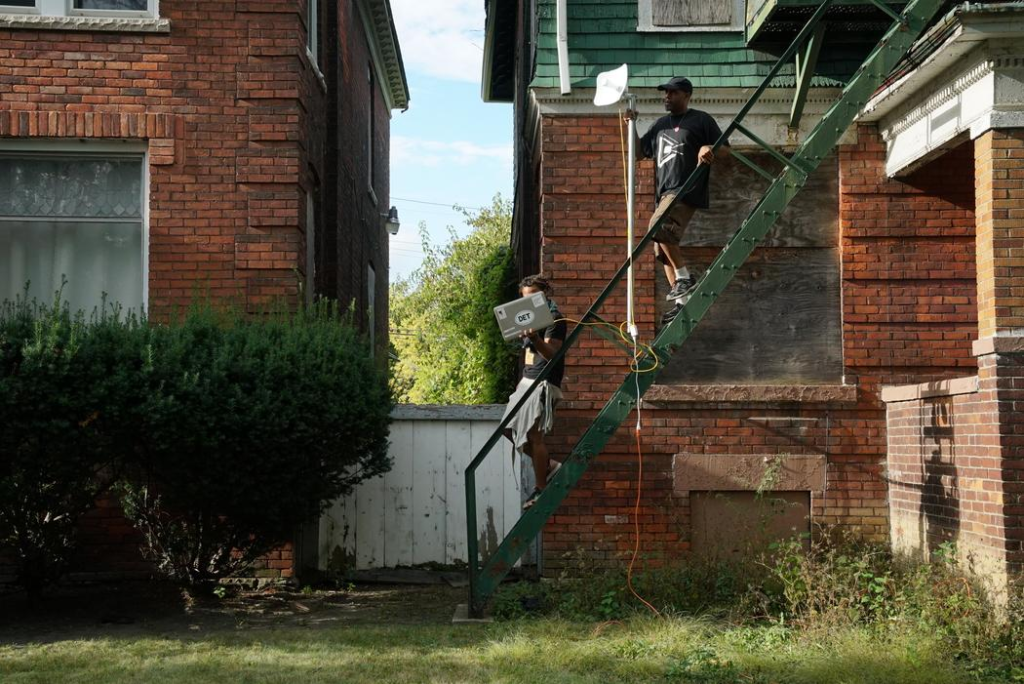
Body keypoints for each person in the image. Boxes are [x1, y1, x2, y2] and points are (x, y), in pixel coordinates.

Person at [625, 76, 731, 325]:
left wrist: (708, 147)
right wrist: (633, 125)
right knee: (660, 249)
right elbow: (640, 154)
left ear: (686, 95)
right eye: (666, 93)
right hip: (665, 192)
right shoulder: (661, 124)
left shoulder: (701, 119)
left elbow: (726, 149)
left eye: (672, 93)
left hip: (686, 187)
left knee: (657, 225)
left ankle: (684, 277)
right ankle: (681, 302)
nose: (667, 97)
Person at [501, 275, 567, 510]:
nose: (529, 300)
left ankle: (540, 488)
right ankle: (548, 465)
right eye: (525, 297)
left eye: (534, 295)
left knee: (535, 436)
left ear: (545, 294)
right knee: (508, 429)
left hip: (544, 382)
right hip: (527, 381)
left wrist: (534, 338)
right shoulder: (527, 319)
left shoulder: (556, 319)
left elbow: (551, 354)